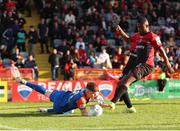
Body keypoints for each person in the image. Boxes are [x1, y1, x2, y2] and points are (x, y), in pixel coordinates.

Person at [110, 16, 174, 113]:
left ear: (147, 26)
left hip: (146, 65)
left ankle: (112, 103)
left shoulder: (153, 36)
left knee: (125, 83)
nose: (139, 29)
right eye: (138, 27)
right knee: (120, 83)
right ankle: (130, 108)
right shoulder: (138, 35)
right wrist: (120, 31)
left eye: (141, 27)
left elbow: (161, 50)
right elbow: (128, 39)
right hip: (137, 64)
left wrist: (168, 63)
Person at [15, 78, 109, 116]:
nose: (96, 95)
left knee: (45, 91)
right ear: (88, 92)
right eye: (94, 93)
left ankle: (26, 82)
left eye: (96, 93)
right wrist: (94, 112)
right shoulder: (81, 100)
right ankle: (46, 110)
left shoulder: (85, 90)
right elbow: (84, 114)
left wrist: (103, 103)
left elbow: (97, 97)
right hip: (60, 104)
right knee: (61, 111)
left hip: (63, 94)